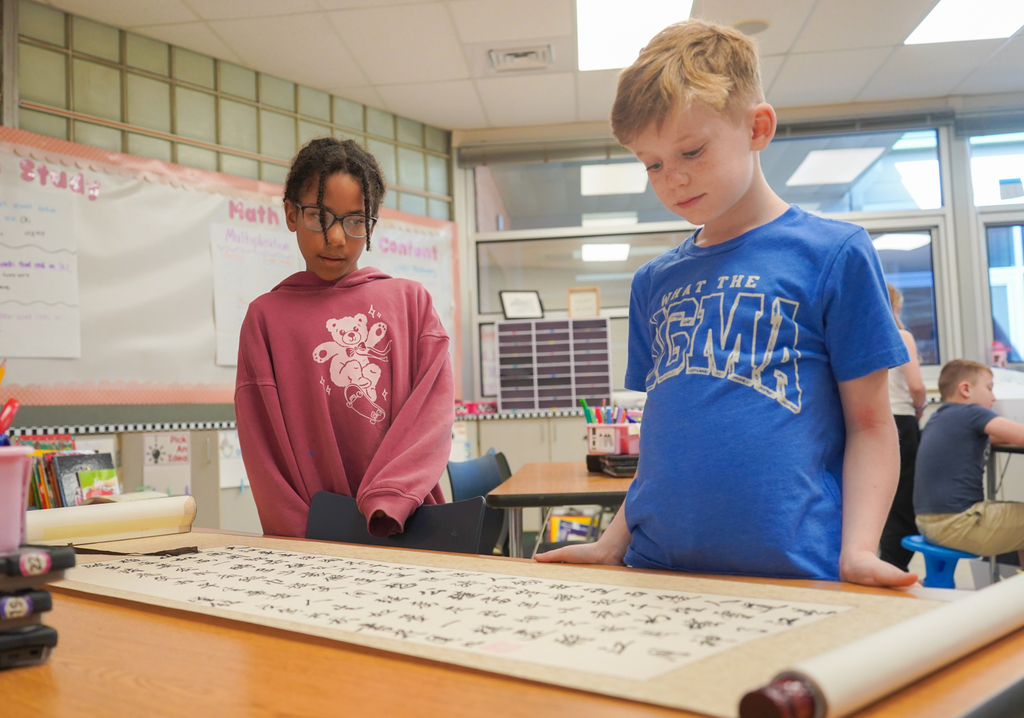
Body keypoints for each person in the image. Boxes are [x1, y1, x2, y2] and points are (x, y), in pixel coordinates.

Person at [537, 19, 916, 587]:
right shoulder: (652, 282)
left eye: (691, 150)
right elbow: (663, 443)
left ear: (758, 127)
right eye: (652, 163)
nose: (672, 179)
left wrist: (859, 550)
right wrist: (612, 544)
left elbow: (870, 425)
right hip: (658, 569)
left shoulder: (833, 253)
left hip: (793, 572)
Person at [235, 137, 454, 539]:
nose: (337, 238)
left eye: (356, 221)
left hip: (408, 524)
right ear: (290, 214)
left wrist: (390, 498)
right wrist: (301, 535)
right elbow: (262, 448)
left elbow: (433, 416)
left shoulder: (410, 303)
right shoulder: (265, 319)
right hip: (315, 539)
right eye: (320, 216)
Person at [914, 360, 1024, 564]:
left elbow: (999, 437)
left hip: (929, 523)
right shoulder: (972, 412)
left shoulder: (940, 417)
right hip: (958, 523)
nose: (993, 397)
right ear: (965, 389)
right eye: (989, 388)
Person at [878, 284, 928, 570]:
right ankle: (894, 565)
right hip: (901, 419)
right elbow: (917, 386)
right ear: (894, 306)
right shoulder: (901, 336)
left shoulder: (860, 334)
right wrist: (919, 407)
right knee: (902, 499)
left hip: (869, 422)